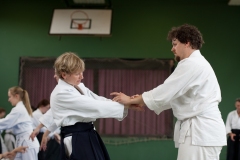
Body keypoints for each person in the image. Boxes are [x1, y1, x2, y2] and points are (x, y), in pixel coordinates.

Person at [111, 24, 227, 160]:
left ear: (187, 43)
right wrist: (143, 100)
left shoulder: (192, 64)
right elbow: (175, 95)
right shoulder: (197, 63)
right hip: (202, 133)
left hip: (201, 133)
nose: (172, 48)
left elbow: (165, 90)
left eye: (175, 44)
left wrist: (132, 100)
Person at [50, 52, 140, 160]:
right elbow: (94, 106)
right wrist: (127, 104)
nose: (82, 77)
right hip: (76, 138)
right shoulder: (61, 93)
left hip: (87, 135)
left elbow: (97, 99)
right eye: (77, 73)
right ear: (64, 74)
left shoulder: (78, 87)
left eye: (82, 73)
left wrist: (127, 101)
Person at [0, 86, 40, 160]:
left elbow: (6, 122)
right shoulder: (20, 108)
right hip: (24, 141)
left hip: (27, 142)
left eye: (10, 97)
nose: (9, 100)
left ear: (16, 96)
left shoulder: (18, 110)